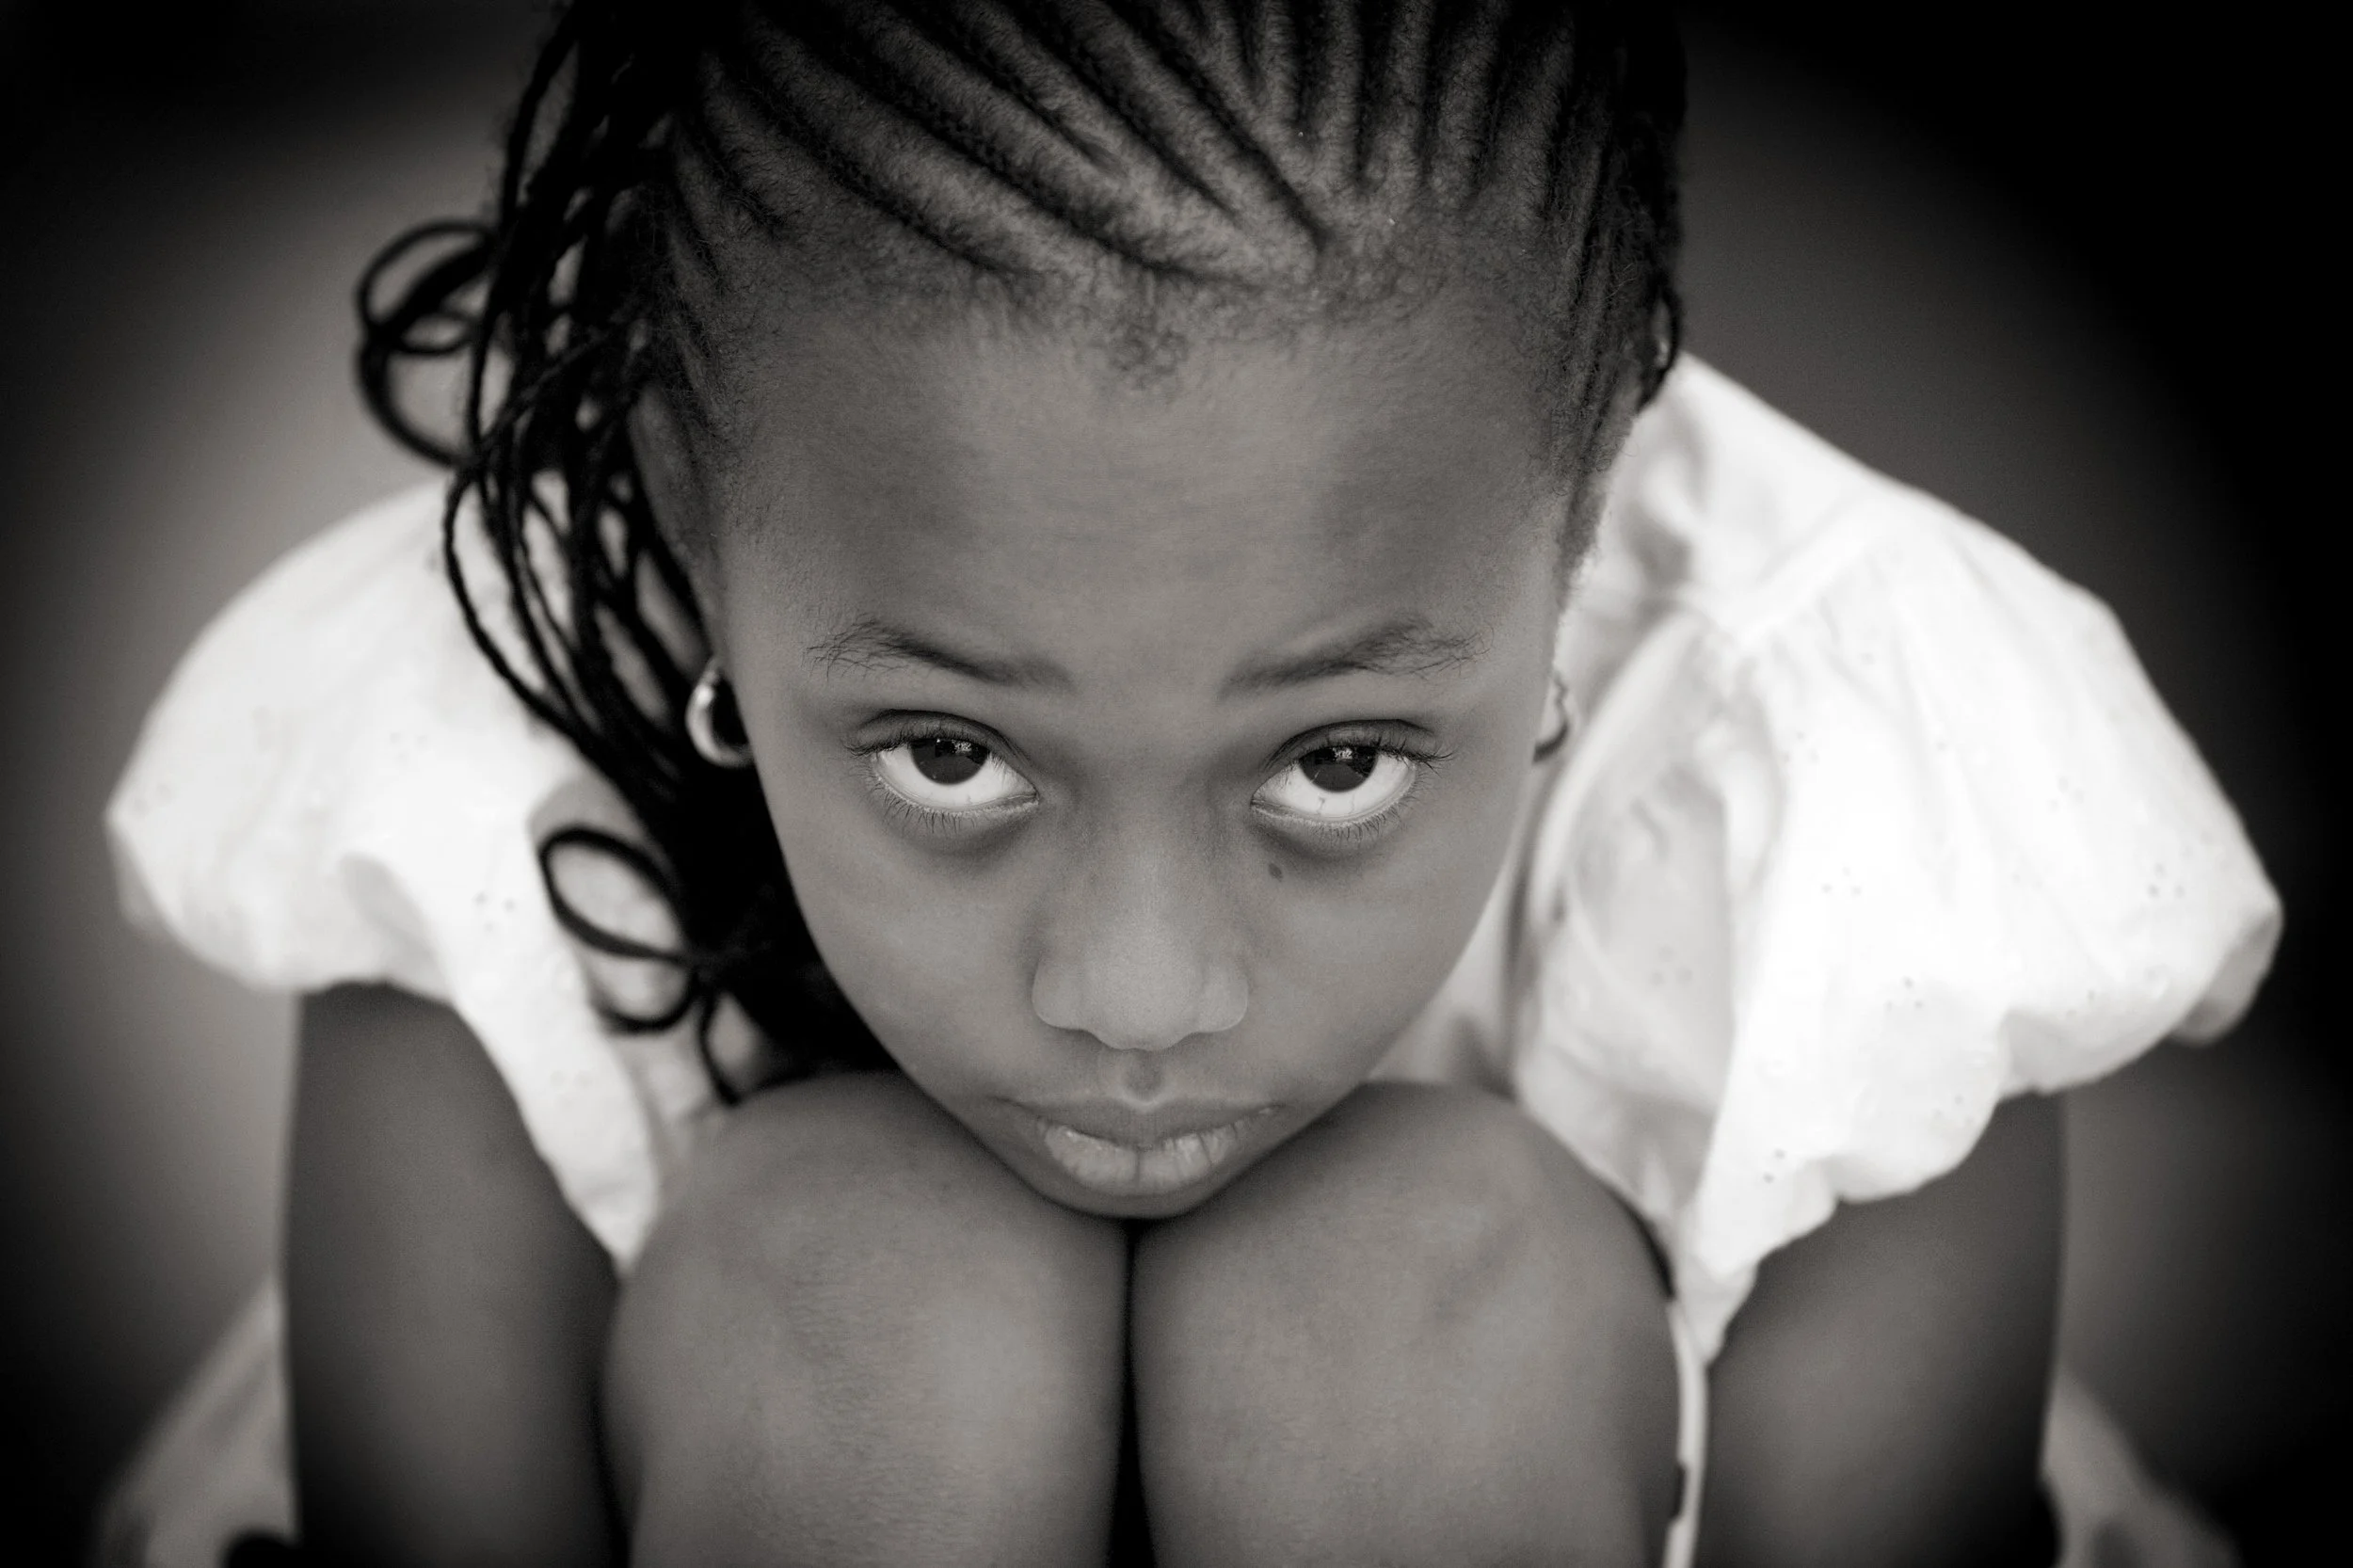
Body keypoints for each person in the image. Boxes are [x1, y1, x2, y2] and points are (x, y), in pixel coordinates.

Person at [96, 3, 2277, 1565]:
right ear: (683, 503)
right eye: (947, 751)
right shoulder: (472, 765)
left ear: (1584, 512)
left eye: (1334, 760)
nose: (1138, 999)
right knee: (861, 1285)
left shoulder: (1840, 783)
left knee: (1411, 1285)